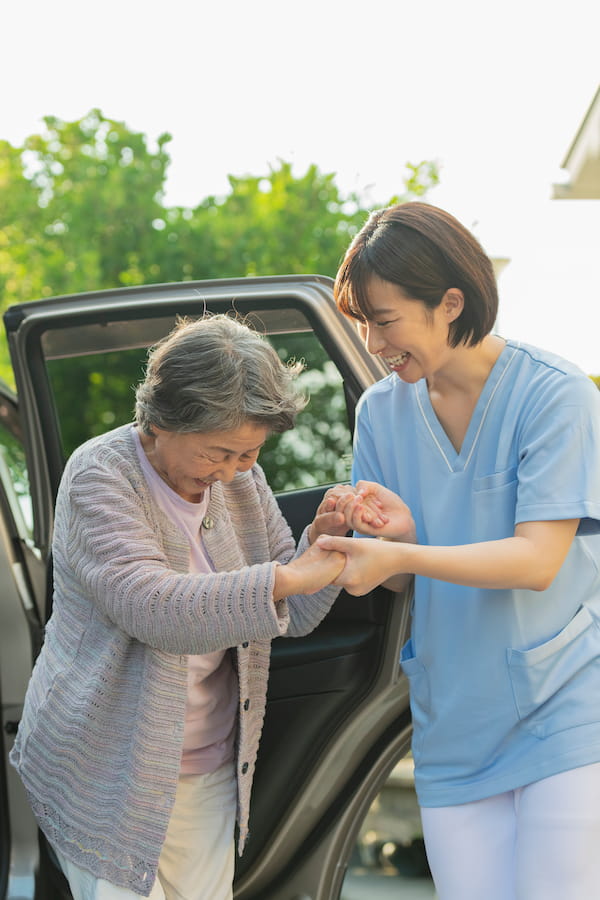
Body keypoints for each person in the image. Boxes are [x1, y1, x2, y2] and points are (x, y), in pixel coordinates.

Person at [315, 202, 600, 900]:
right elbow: (389, 582)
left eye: (383, 321)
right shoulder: (380, 412)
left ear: (450, 302)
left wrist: (407, 558)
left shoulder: (554, 395)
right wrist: (389, 544)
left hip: (564, 709)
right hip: (454, 722)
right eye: (361, 324)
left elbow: (537, 562)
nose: (374, 344)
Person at [10, 314, 348, 900]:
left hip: (209, 767)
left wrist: (321, 546)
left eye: (249, 454)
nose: (231, 472)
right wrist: (290, 575)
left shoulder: (242, 482)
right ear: (162, 419)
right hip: (104, 772)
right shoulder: (100, 476)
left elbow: (293, 614)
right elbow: (156, 610)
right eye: (218, 453)